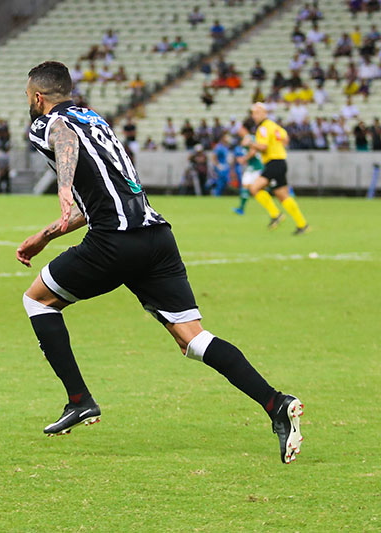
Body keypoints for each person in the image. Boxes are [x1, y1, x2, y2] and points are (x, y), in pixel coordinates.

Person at [17, 62, 303, 463]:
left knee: (38, 300)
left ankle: (79, 400)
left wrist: (62, 185)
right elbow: (95, 203)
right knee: (193, 339)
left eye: (28, 97)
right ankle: (276, 404)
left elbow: (63, 138)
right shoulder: (96, 119)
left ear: (38, 97)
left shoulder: (48, 124)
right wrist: (44, 236)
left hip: (114, 243)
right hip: (156, 238)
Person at [239, 103, 309, 234]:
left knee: (254, 188)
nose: (254, 116)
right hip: (281, 161)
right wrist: (276, 146)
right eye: (253, 113)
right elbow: (286, 138)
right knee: (283, 196)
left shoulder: (263, 128)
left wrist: (250, 143)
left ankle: (275, 215)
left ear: (263, 113)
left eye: (256, 113)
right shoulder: (274, 126)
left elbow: (263, 147)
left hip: (273, 162)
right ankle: (302, 224)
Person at [233, 120, 263, 215]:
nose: (238, 131)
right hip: (251, 166)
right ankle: (241, 209)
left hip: (256, 166)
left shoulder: (250, 138)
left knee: (255, 188)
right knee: (246, 186)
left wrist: (244, 159)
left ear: (244, 129)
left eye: (240, 129)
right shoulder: (244, 140)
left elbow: (253, 152)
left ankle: (288, 194)